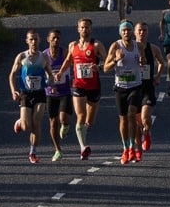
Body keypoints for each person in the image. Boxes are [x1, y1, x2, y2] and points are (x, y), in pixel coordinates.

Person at [55, 17, 107, 160]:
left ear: (91, 29)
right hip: (78, 86)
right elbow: (67, 61)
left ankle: (82, 137)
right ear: (78, 29)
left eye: (87, 27)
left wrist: (99, 66)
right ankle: (83, 147)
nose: (85, 29)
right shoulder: (73, 46)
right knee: (81, 116)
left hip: (94, 87)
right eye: (82, 27)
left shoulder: (96, 45)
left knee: (89, 121)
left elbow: (107, 60)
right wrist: (60, 72)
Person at [104, 21, 144, 164]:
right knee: (123, 119)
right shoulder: (115, 46)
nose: (126, 32)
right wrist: (116, 59)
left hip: (135, 86)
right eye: (124, 30)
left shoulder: (138, 46)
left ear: (132, 32)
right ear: (120, 32)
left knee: (132, 113)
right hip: (121, 87)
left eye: (128, 30)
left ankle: (133, 146)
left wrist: (141, 62)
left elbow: (143, 62)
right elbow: (105, 68)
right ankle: (125, 148)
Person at [8, 30, 49, 164]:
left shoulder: (43, 57)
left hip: (40, 93)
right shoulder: (21, 57)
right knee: (26, 127)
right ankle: (20, 122)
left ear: (39, 40)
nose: (33, 42)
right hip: (25, 93)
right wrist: (14, 91)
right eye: (31, 39)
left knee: (36, 123)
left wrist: (51, 83)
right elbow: (12, 75)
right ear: (27, 41)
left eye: (36, 39)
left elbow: (50, 74)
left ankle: (33, 152)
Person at [134, 20, 165, 153]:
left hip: (147, 88)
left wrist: (157, 77)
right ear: (135, 32)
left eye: (144, 30)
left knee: (145, 118)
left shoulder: (153, 49)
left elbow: (161, 63)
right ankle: (138, 149)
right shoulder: (130, 48)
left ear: (148, 32)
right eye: (139, 30)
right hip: (133, 88)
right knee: (136, 124)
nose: (142, 32)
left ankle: (147, 133)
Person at [42, 28, 72, 162]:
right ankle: (58, 150)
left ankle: (66, 126)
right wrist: (49, 85)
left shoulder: (64, 52)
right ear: (48, 39)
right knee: (53, 123)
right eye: (53, 38)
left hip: (65, 91)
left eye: (58, 38)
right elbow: (41, 75)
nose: (56, 40)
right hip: (50, 93)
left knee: (63, 118)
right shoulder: (43, 55)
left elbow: (73, 65)